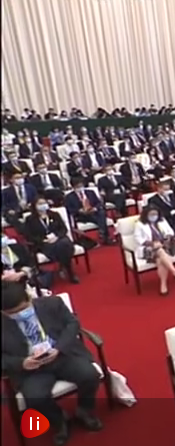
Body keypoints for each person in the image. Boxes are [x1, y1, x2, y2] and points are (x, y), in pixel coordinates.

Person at [0, 283, 104, 446]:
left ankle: (84, 411)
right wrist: (22, 363)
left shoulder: (52, 303)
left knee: (90, 375)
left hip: (61, 355)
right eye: (12, 314)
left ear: (29, 298)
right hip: (31, 369)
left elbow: (72, 324)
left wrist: (59, 348)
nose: (19, 314)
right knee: (35, 398)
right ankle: (59, 421)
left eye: (22, 309)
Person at [23, 198, 79, 283]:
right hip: (44, 243)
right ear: (35, 206)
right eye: (40, 203)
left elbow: (63, 229)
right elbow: (29, 235)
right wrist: (43, 240)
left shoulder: (54, 214)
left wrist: (56, 236)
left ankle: (65, 268)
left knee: (64, 243)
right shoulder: (30, 219)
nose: (43, 205)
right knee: (64, 246)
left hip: (58, 239)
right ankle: (69, 271)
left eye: (44, 203)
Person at [134, 205, 175, 296]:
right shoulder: (139, 224)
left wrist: (166, 239)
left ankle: (163, 285)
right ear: (146, 214)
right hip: (148, 248)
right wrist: (152, 244)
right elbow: (138, 239)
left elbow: (170, 232)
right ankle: (174, 271)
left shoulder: (162, 221)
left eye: (155, 214)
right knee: (160, 251)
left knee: (160, 259)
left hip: (165, 246)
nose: (154, 216)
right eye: (151, 214)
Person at [63, 177, 111, 244]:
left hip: (93, 211)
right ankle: (105, 236)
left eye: (81, 186)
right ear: (73, 187)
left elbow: (98, 203)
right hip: (82, 215)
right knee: (101, 217)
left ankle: (102, 232)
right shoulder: (69, 197)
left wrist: (95, 208)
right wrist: (79, 210)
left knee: (101, 213)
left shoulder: (90, 192)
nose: (80, 188)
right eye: (78, 187)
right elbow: (68, 209)